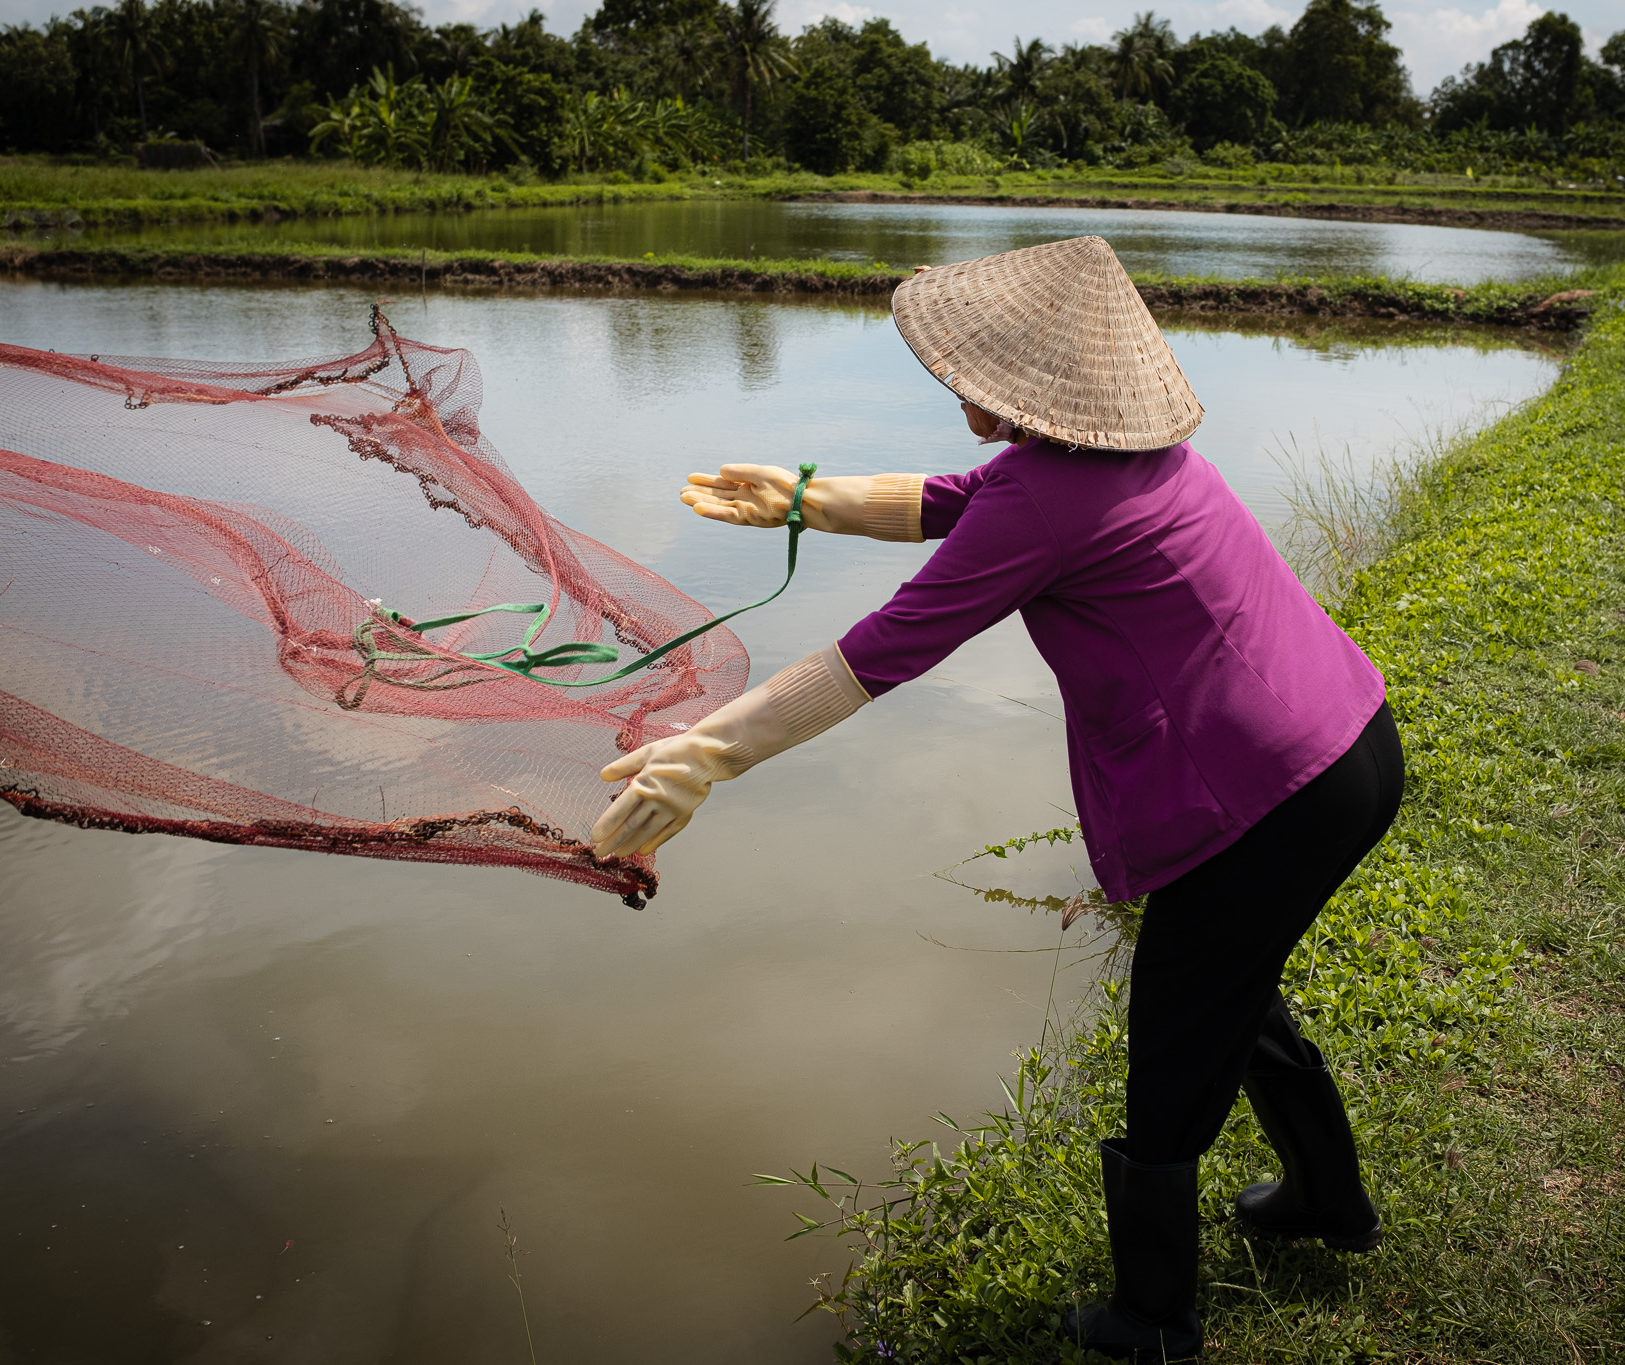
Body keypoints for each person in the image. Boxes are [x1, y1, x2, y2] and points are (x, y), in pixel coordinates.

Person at [591, 236, 1403, 1361]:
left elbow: (885, 649)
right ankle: (1325, 1201)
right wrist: (805, 500)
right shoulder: (1129, 454)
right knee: (1230, 985)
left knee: (1175, 1034)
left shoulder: (1046, 497)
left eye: (973, 376)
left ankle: (1152, 1320)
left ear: (1036, 389)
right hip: (1351, 745)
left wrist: (706, 755)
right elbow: (965, 500)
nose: (958, 391)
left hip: (1266, 796)